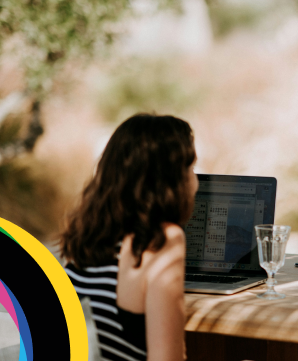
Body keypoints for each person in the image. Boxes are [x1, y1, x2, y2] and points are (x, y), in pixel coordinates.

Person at [59, 114, 197, 361]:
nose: (195, 180)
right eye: (191, 168)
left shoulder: (84, 235)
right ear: (170, 181)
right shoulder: (161, 241)